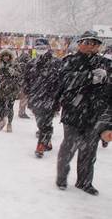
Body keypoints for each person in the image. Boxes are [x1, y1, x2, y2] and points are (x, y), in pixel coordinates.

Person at [55, 30, 110, 195]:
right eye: (86, 42)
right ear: (79, 44)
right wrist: (88, 76)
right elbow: (64, 80)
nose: (90, 46)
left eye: (94, 43)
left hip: (94, 115)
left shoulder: (106, 64)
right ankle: (61, 178)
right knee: (68, 148)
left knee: (89, 151)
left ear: (99, 46)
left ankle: (85, 182)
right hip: (73, 112)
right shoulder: (69, 61)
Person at [24, 38, 61, 158]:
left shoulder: (56, 63)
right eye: (38, 48)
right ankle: (47, 141)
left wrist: (58, 96)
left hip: (51, 97)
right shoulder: (31, 63)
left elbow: (61, 81)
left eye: (43, 48)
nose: (40, 50)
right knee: (41, 122)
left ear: (48, 48)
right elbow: (26, 80)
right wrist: (27, 91)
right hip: (35, 98)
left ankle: (41, 145)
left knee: (46, 122)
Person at [0, 49, 20, 132]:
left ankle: (9, 123)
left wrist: (14, 72)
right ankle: (2, 120)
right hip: (1, 89)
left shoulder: (14, 65)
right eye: (4, 56)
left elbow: (19, 75)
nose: (6, 57)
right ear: (1, 57)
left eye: (7, 56)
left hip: (11, 89)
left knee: (10, 107)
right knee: (1, 106)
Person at [16, 52, 31, 119]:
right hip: (24, 84)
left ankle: (22, 111)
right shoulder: (24, 65)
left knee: (24, 98)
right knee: (24, 98)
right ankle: (22, 112)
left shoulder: (19, 65)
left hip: (22, 83)